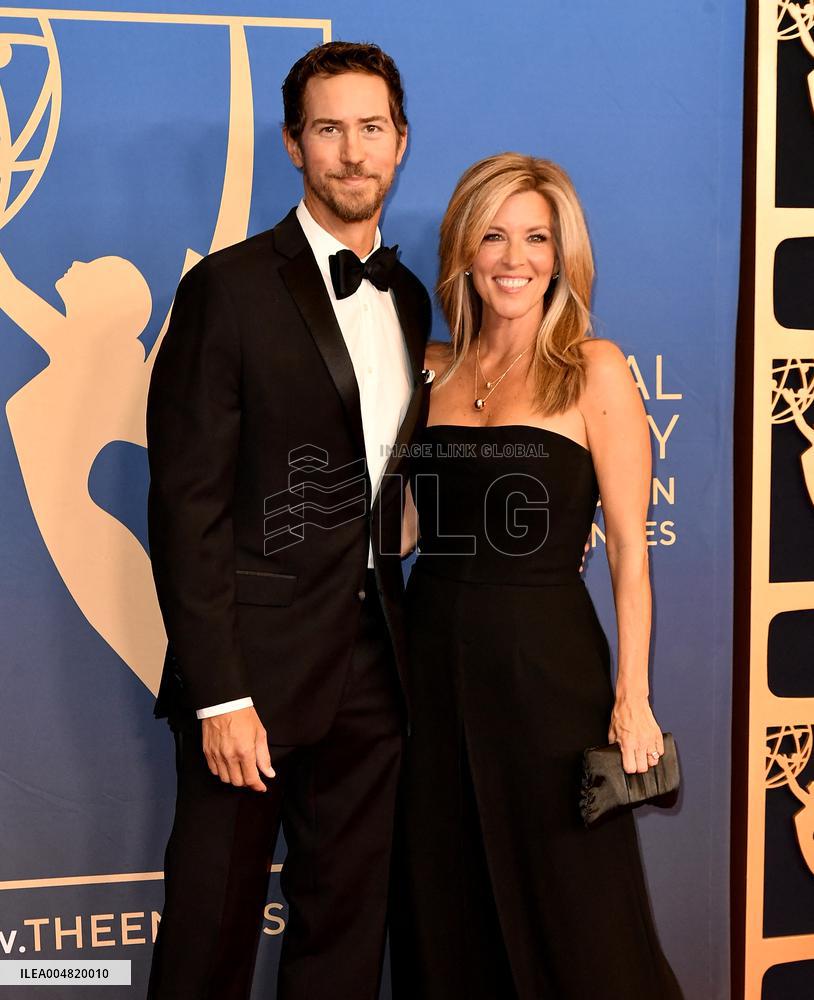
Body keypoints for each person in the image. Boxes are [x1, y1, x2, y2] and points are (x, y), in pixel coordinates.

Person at [145, 42, 431, 1000]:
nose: (352, 152)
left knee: (346, 928)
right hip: (251, 675)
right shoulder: (226, 290)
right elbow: (186, 505)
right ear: (294, 145)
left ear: (400, 143)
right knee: (210, 931)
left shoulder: (408, 297)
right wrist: (218, 693)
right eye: (328, 130)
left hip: (374, 665)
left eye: (371, 129)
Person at [391, 153, 684, 999]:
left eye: (536, 238)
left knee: (579, 911)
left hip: (549, 672)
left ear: (561, 256)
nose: (514, 257)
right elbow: (404, 529)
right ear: (464, 250)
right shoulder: (429, 369)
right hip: (432, 667)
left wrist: (632, 695)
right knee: (445, 901)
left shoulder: (593, 368)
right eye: (494, 235)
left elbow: (630, 548)